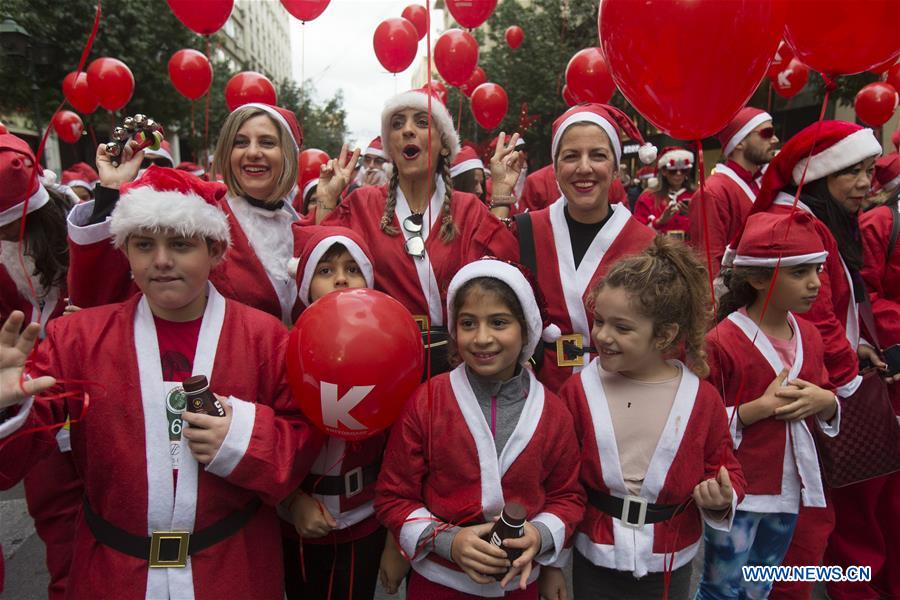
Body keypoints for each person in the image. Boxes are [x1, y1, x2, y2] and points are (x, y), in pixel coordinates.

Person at [0, 166, 322, 599]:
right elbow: (12, 463)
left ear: (213, 249)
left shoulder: (266, 339)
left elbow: (303, 439)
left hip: (232, 572)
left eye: (181, 244)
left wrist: (244, 437)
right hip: (115, 576)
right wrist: (7, 408)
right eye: (145, 244)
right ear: (126, 251)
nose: (162, 260)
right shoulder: (74, 339)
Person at [544, 237, 744, 600]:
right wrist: (554, 563)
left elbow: (724, 467)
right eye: (600, 321)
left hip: (670, 558)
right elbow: (561, 482)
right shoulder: (577, 393)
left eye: (622, 328)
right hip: (595, 556)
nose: (603, 335)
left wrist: (721, 497)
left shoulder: (702, 400)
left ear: (664, 334)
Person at [739, 120, 889, 600]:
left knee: (818, 530)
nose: (867, 183)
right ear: (820, 174)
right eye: (853, 172)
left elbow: (831, 313)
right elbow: (818, 321)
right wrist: (844, 394)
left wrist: (856, 350)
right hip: (809, 398)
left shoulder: (814, 217)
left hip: (820, 392)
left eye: (870, 170)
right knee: (810, 532)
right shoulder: (795, 226)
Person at [375, 258, 585, 599]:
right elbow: (393, 496)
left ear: (527, 328)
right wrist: (448, 541)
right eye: (468, 323)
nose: (482, 338)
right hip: (438, 582)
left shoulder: (554, 413)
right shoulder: (427, 402)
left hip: (519, 585)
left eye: (499, 322)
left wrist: (543, 538)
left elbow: (567, 496)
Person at [314, 89, 518, 375]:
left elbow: (495, 274)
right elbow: (319, 268)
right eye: (397, 124)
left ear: (444, 146)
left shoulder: (468, 208)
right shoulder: (362, 204)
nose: (407, 130)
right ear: (390, 146)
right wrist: (326, 200)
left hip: (459, 363)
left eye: (421, 122)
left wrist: (501, 198)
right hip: (384, 360)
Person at [697, 211, 840, 599]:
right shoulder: (722, 341)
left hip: (791, 489)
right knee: (722, 588)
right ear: (758, 278)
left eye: (817, 270)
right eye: (799, 273)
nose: (814, 284)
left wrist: (826, 402)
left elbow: (823, 398)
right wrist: (754, 410)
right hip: (739, 490)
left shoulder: (809, 334)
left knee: (759, 587)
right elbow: (698, 422)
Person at [66, 103, 306, 325]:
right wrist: (110, 191)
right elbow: (112, 282)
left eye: (267, 143)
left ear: (288, 154)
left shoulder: (304, 228)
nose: (252, 152)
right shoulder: (194, 211)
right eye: (240, 142)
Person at [280, 225, 406, 599]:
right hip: (296, 520)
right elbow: (270, 438)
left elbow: (404, 451)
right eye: (326, 271)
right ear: (305, 284)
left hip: (364, 519)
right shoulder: (282, 348)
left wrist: (396, 539)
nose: (340, 280)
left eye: (352, 269)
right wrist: (290, 499)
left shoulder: (389, 350)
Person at [504, 103, 657, 392]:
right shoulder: (524, 230)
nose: (584, 168)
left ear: (614, 167)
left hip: (623, 395)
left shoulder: (647, 244)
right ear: (556, 167)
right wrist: (500, 200)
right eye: (571, 156)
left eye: (598, 155)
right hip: (541, 398)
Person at [0, 131, 81, 600]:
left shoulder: (81, 238)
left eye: (14, 224)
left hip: (96, 402)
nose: (9, 235)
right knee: (61, 536)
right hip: (32, 415)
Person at [689, 107, 779, 279]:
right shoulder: (713, 191)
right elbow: (708, 265)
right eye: (767, 133)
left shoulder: (764, 184)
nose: (775, 139)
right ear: (739, 142)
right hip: (734, 300)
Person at [633, 146, 695, 239]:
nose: (678, 174)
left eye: (683, 170)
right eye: (673, 170)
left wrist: (693, 215)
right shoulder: (647, 198)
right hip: (657, 252)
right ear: (664, 171)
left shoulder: (695, 196)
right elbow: (637, 233)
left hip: (690, 251)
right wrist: (660, 222)